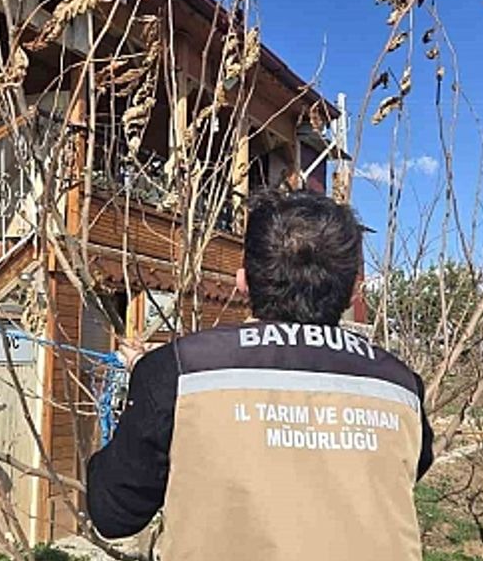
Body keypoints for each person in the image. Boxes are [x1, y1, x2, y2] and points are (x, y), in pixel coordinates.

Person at [86, 190, 434, 560]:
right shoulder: (401, 385)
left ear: (243, 281)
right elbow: (405, 471)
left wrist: (146, 388)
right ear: (352, 292)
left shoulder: (177, 372)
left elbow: (113, 513)